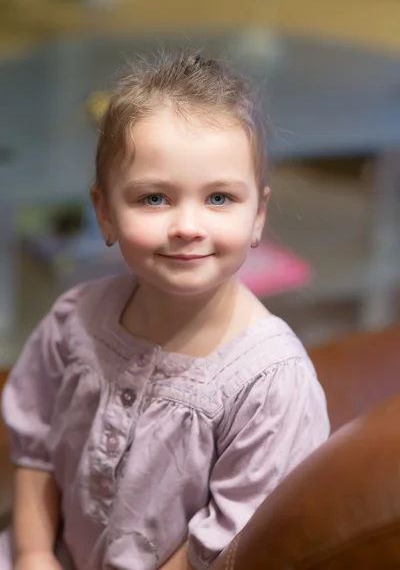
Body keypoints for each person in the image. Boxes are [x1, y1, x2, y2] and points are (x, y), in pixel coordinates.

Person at [0, 52, 330, 570]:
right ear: (105, 212)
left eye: (219, 198)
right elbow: (34, 449)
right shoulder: (74, 320)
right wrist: (34, 553)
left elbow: (227, 545)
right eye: (154, 199)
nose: (188, 226)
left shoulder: (271, 385)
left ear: (258, 214)